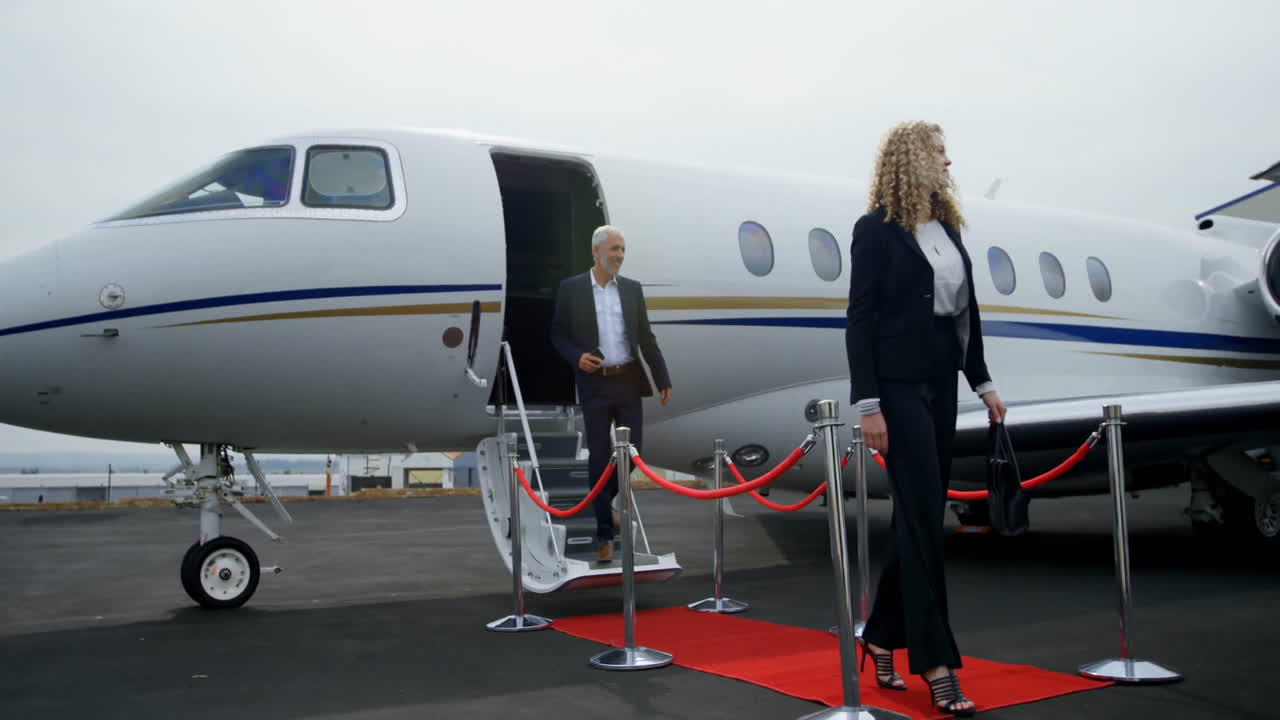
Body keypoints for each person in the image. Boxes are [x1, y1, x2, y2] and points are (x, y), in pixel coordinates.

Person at [845, 121, 1007, 717]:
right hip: (896, 385)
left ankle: (882, 636)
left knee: (922, 514)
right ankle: (937, 663)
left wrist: (981, 381)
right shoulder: (874, 232)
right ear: (911, 159)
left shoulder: (949, 228)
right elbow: (859, 320)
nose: (948, 160)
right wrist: (868, 404)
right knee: (919, 519)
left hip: (941, 381)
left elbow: (967, 314)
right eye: (938, 151)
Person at [549, 225, 672, 563]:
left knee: (634, 453)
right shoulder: (571, 289)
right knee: (599, 455)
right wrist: (576, 357)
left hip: (629, 380)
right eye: (614, 249)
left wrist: (662, 377)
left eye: (622, 250)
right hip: (595, 383)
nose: (619, 255)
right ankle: (604, 532)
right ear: (596, 251)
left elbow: (646, 337)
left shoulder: (631, 290)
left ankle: (604, 499)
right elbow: (557, 334)